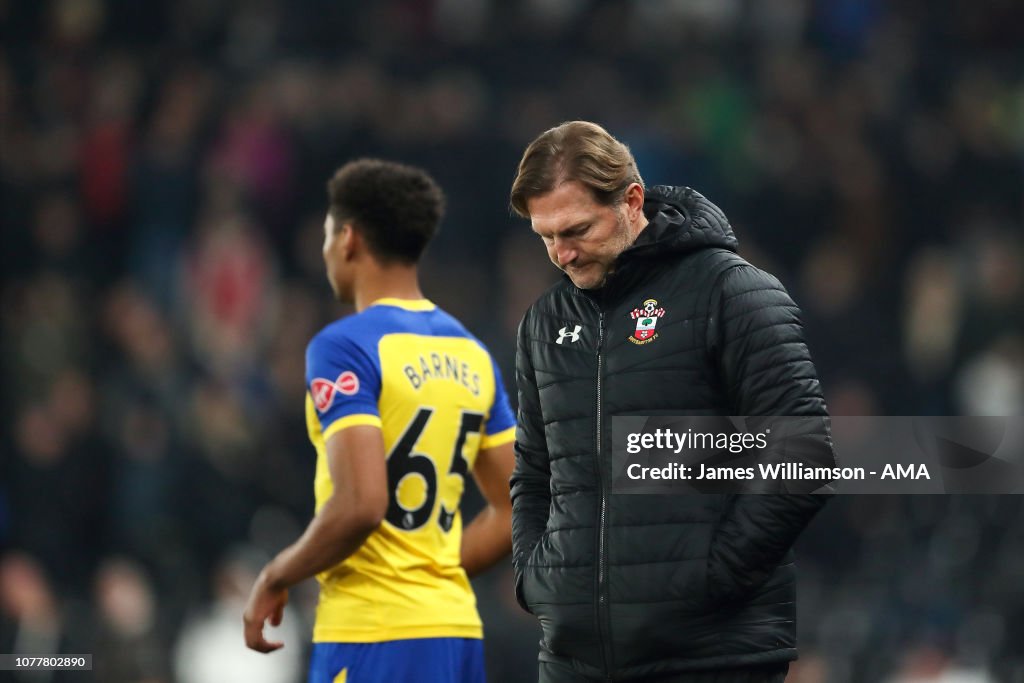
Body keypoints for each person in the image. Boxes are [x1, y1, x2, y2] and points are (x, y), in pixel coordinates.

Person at [508, 121, 835, 682]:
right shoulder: (545, 323)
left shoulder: (731, 293)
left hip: (710, 656)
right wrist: (539, 578)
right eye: (545, 237)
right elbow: (535, 471)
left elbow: (801, 455)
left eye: (576, 229)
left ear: (631, 200)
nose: (560, 254)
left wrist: (712, 579)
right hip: (573, 661)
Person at [243, 159, 517, 683]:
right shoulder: (472, 352)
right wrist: (430, 572)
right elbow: (518, 506)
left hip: (373, 634)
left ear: (348, 239)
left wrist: (277, 573)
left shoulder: (344, 346)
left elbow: (361, 504)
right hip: (455, 631)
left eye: (327, 235)